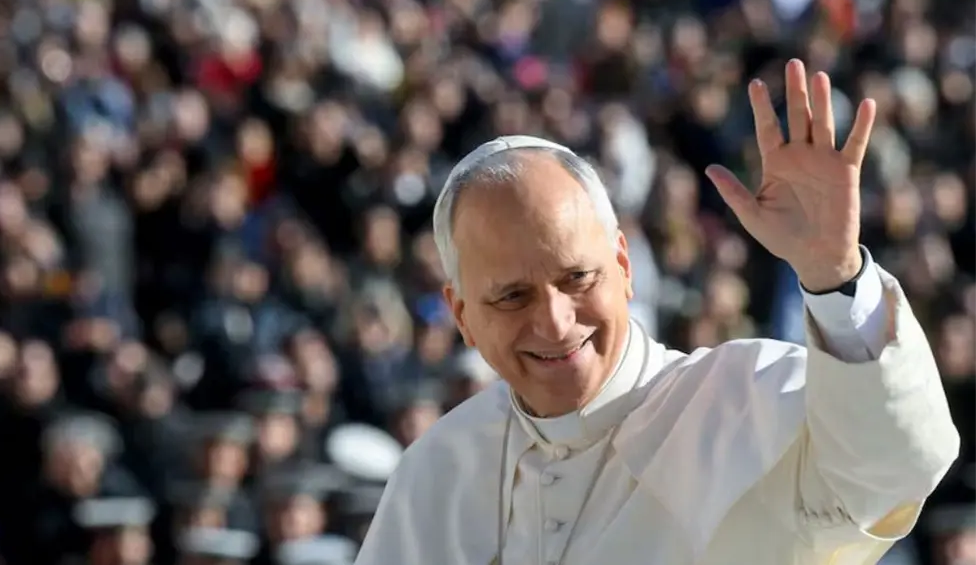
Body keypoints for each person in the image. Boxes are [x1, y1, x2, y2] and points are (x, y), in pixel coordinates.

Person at [353, 60, 961, 565]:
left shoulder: (744, 398)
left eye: (578, 278)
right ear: (461, 316)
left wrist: (836, 278)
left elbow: (897, 467)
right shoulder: (435, 473)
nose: (556, 322)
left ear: (624, 264)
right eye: (512, 296)